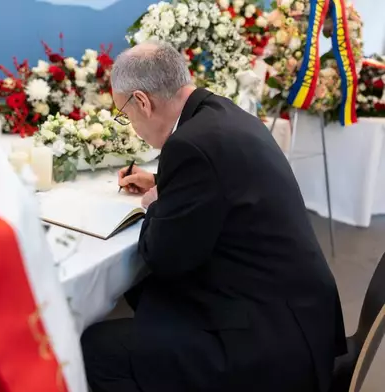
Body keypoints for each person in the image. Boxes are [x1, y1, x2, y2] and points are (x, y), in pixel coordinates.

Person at [81, 42, 346, 392]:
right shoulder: (223, 114)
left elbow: (163, 258)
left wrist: (154, 203)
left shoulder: (189, 146)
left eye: (125, 115)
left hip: (270, 342)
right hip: (301, 314)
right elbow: (224, 181)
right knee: (146, 299)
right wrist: (165, 183)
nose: (132, 127)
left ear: (142, 102)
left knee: (95, 348)